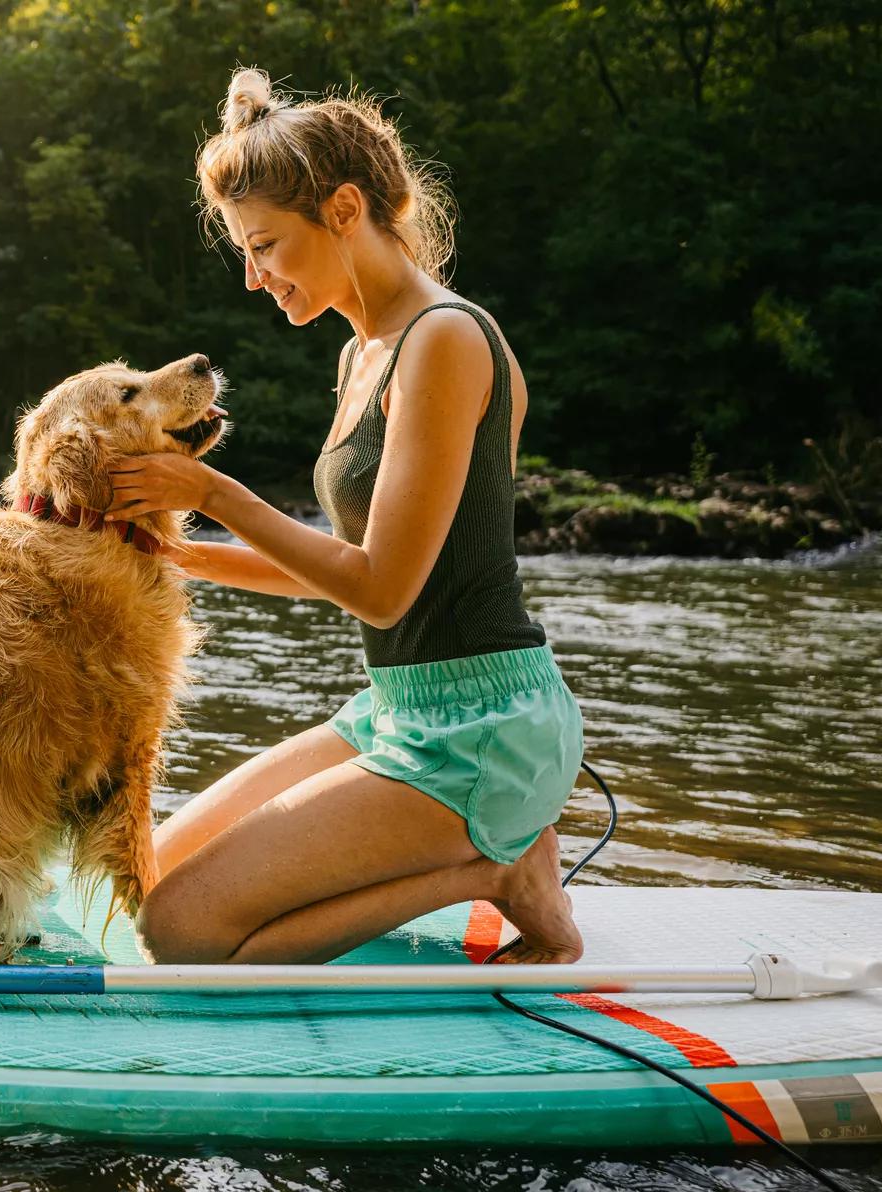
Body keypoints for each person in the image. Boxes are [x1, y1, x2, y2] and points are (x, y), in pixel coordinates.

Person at [106, 69, 585, 966]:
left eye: (265, 245)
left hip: (484, 733)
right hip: (400, 712)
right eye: (244, 251)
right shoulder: (362, 353)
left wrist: (210, 494)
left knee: (183, 933)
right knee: (152, 876)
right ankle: (485, 855)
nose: (254, 277)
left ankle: (501, 871)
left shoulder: (444, 339)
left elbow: (381, 591)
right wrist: (170, 556)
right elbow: (343, 564)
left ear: (343, 210)